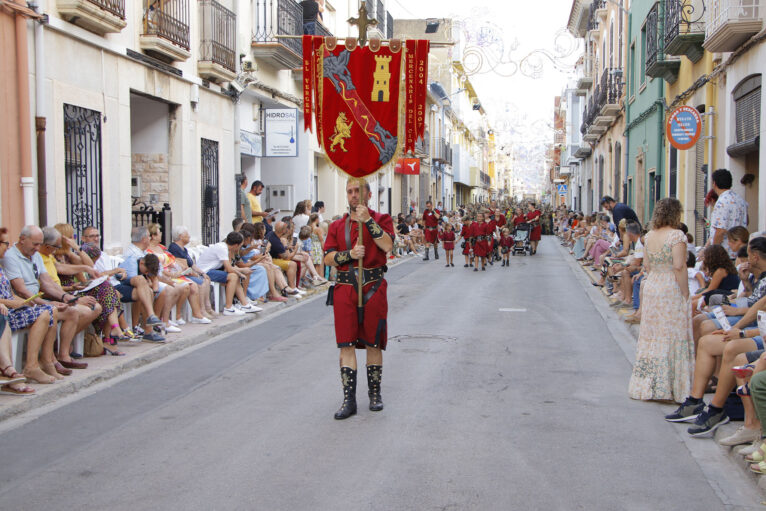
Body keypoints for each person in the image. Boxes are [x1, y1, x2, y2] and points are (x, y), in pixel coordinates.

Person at [324, 179, 394, 420]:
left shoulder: (382, 219)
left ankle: (375, 394)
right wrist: (349, 255)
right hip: (345, 287)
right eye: (350, 192)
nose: (353, 196)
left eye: (358, 191)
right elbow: (328, 258)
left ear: (369, 194)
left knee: (374, 342)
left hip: (373, 286)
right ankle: (349, 400)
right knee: (346, 344)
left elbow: (387, 245)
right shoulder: (336, 225)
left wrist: (368, 221)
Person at [5, 226, 100, 372]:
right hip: (25, 303)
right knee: (52, 310)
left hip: (37, 299)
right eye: (35, 244)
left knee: (71, 311)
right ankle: (47, 361)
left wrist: (65, 297)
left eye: (40, 244)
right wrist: (49, 302)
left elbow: (46, 281)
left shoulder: (35, 254)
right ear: (22, 240)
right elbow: (21, 290)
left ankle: (61, 356)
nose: (38, 248)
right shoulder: (10, 256)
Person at [628, 198, 694, 403]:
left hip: (653, 286)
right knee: (672, 335)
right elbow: (679, 266)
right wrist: (686, 293)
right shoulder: (677, 235)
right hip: (670, 288)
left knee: (652, 335)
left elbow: (646, 265)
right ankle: (671, 387)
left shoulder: (649, 236)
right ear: (676, 214)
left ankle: (648, 384)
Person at [0, 226, 58, 385]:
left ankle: (46, 361)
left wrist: (18, 301)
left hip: (13, 306)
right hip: (7, 311)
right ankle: (31, 366)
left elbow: (9, 292)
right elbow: (15, 292)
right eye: (4, 243)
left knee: (50, 310)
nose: (7, 247)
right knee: (45, 311)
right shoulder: (10, 258)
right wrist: (14, 302)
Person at [147, 223, 212, 325]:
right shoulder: (149, 250)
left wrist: (180, 269)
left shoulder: (162, 247)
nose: (161, 234)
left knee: (192, 286)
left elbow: (173, 260)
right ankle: (168, 317)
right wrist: (172, 274)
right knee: (184, 286)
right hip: (165, 275)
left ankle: (195, 314)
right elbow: (157, 267)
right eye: (159, 233)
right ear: (153, 236)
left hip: (173, 272)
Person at [196, 232, 261, 316]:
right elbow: (229, 269)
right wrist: (241, 273)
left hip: (212, 270)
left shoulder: (224, 247)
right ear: (236, 245)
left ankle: (245, 304)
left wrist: (240, 271)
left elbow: (229, 267)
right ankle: (228, 307)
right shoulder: (223, 249)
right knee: (233, 276)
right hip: (205, 272)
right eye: (240, 246)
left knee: (234, 275)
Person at [167, 226, 216, 317]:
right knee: (201, 283)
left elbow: (192, 264)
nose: (189, 236)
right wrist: (195, 274)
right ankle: (201, 310)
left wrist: (202, 273)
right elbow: (183, 266)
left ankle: (208, 308)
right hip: (181, 275)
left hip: (188, 273)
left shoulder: (184, 249)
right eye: (187, 234)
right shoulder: (174, 248)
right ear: (181, 236)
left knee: (206, 279)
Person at [705, 168, 749, 257]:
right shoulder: (740, 200)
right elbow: (747, 220)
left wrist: (714, 252)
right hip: (740, 252)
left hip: (725, 253)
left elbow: (720, 231)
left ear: (714, 183)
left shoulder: (721, 202)